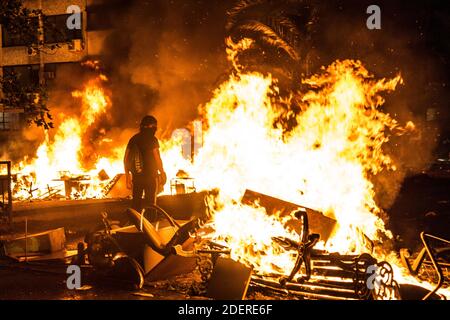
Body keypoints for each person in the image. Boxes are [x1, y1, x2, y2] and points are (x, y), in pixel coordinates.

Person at [124, 115, 166, 211]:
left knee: (136, 203)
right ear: (153, 127)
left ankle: (136, 222)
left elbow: (125, 159)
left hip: (137, 177)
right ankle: (149, 223)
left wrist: (127, 177)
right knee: (151, 204)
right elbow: (157, 158)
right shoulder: (153, 139)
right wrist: (162, 172)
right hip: (151, 177)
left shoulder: (133, 139)